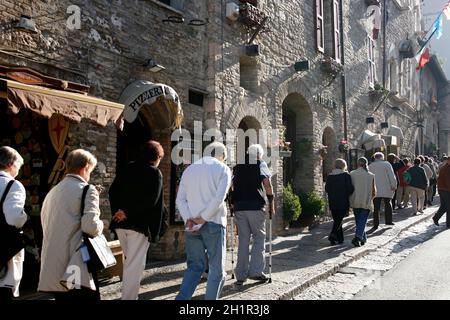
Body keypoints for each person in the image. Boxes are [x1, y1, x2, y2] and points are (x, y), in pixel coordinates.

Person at [38, 149, 104, 300]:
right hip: (76, 263)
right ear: (85, 167)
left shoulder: (52, 192)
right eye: (90, 171)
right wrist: (102, 224)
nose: (89, 176)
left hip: (53, 263)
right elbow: (91, 227)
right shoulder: (87, 190)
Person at [109, 140, 165, 300]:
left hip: (121, 224)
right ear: (157, 157)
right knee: (134, 266)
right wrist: (126, 212)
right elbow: (151, 201)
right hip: (139, 226)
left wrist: (118, 212)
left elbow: (113, 191)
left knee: (130, 263)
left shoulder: (128, 167)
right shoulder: (155, 173)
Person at [175, 142, 232, 300]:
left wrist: (190, 220)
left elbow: (180, 200)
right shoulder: (223, 169)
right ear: (222, 155)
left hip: (192, 225)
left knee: (194, 267)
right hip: (214, 223)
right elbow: (219, 198)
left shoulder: (190, 169)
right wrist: (204, 218)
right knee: (216, 270)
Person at [230, 144, 274, 286]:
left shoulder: (237, 167)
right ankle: (255, 272)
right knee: (259, 238)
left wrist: (232, 202)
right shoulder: (261, 164)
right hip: (255, 206)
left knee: (243, 240)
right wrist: (271, 203)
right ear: (259, 155)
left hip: (239, 207)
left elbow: (232, 186)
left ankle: (240, 275)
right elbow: (267, 184)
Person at [0, 146, 28, 301]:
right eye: (18, 166)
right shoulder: (13, 185)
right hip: (4, 249)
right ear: (11, 164)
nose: (18, 170)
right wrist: (24, 216)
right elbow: (14, 219)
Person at [325, 158, 354, 245]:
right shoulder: (346, 176)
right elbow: (350, 189)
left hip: (333, 201)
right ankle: (332, 234)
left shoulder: (330, 176)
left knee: (337, 219)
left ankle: (340, 239)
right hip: (343, 201)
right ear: (344, 166)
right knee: (339, 220)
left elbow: (327, 189)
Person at [349, 157, 376, 247]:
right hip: (366, 199)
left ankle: (362, 238)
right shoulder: (371, 175)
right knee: (362, 220)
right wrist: (371, 198)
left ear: (357, 164)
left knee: (359, 220)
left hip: (355, 199)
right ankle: (358, 237)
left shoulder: (352, 174)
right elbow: (374, 190)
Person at [368, 152, 397, 230]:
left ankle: (376, 223)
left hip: (375, 189)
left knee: (376, 207)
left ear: (375, 157)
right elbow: (391, 176)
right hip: (386, 188)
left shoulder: (370, 165)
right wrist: (394, 185)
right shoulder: (387, 164)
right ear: (382, 157)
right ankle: (388, 221)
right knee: (387, 204)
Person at [432, 156, 450, 227]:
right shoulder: (446, 169)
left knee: (444, 206)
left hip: (443, 189)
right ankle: (448, 224)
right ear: (448, 161)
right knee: (448, 207)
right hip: (445, 190)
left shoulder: (445, 168)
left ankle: (436, 218)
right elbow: (447, 181)